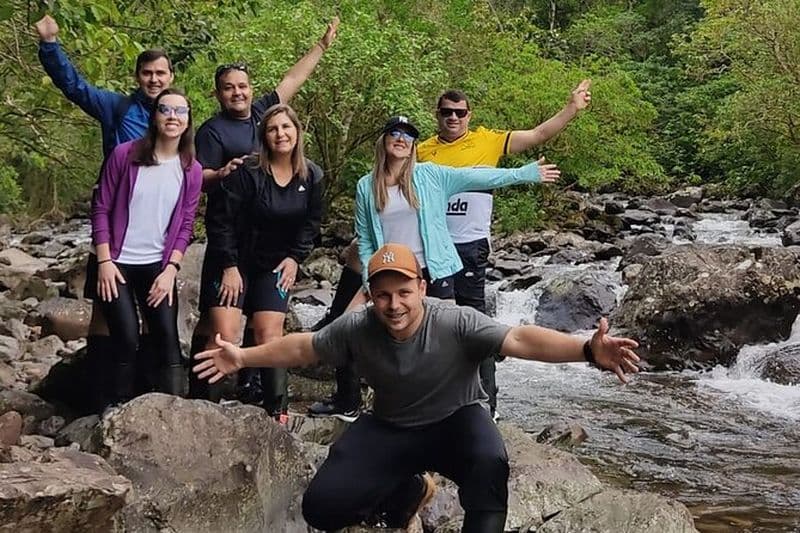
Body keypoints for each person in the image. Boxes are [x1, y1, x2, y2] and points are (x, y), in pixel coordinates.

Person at [193, 243, 640, 531]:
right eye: (383, 294)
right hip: (391, 427)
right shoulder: (357, 327)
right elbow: (302, 348)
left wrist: (586, 351)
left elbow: (520, 338)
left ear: (421, 288)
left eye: (404, 292)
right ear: (371, 295)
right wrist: (242, 355)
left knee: (489, 463)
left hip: (456, 422)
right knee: (322, 509)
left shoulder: (456, 321)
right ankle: (408, 493)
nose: (394, 304)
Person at [310, 82, 592, 420]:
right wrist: (369, 277)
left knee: (452, 334)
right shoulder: (371, 183)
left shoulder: (433, 173)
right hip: (391, 269)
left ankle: (473, 404)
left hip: (442, 262)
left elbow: (485, 175)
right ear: (385, 140)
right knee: (353, 326)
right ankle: (359, 400)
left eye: (406, 135)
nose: (401, 139)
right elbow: (367, 238)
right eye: (394, 134)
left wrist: (526, 172)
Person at [189, 18, 339, 406]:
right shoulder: (213, 132)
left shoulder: (265, 115)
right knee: (221, 329)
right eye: (229, 88)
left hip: (272, 251)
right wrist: (221, 173)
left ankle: (268, 403)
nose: (237, 92)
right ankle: (196, 402)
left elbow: (292, 81)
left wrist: (321, 46)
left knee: (266, 328)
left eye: (242, 86)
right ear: (219, 94)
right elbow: (197, 181)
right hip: (232, 243)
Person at [36, 13, 176, 410]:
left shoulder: (177, 116)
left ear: (170, 76)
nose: (154, 79)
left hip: (157, 235)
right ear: (138, 77)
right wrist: (50, 46)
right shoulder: (116, 108)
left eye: (160, 73)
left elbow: (189, 172)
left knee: (151, 315)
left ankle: (144, 395)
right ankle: (98, 397)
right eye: (147, 73)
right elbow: (75, 87)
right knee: (104, 310)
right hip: (112, 230)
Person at [209, 103, 323, 419]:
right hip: (234, 261)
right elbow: (221, 220)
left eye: (286, 127)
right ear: (264, 136)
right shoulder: (249, 171)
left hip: (275, 264)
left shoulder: (311, 176)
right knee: (225, 333)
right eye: (273, 129)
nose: (280, 134)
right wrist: (230, 266)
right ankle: (203, 405)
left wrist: (295, 258)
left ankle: (277, 411)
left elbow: (311, 224)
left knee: (269, 332)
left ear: (297, 132)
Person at [90, 88, 202, 404]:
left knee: (167, 336)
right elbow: (100, 207)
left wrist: (171, 269)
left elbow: (184, 226)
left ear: (188, 120)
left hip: (158, 264)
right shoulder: (124, 155)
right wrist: (104, 261)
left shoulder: (190, 168)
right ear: (154, 116)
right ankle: (116, 407)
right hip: (117, 262)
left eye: (180, 111)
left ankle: (173, 408)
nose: (172, 116)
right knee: (125, 336)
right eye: (165, 109)